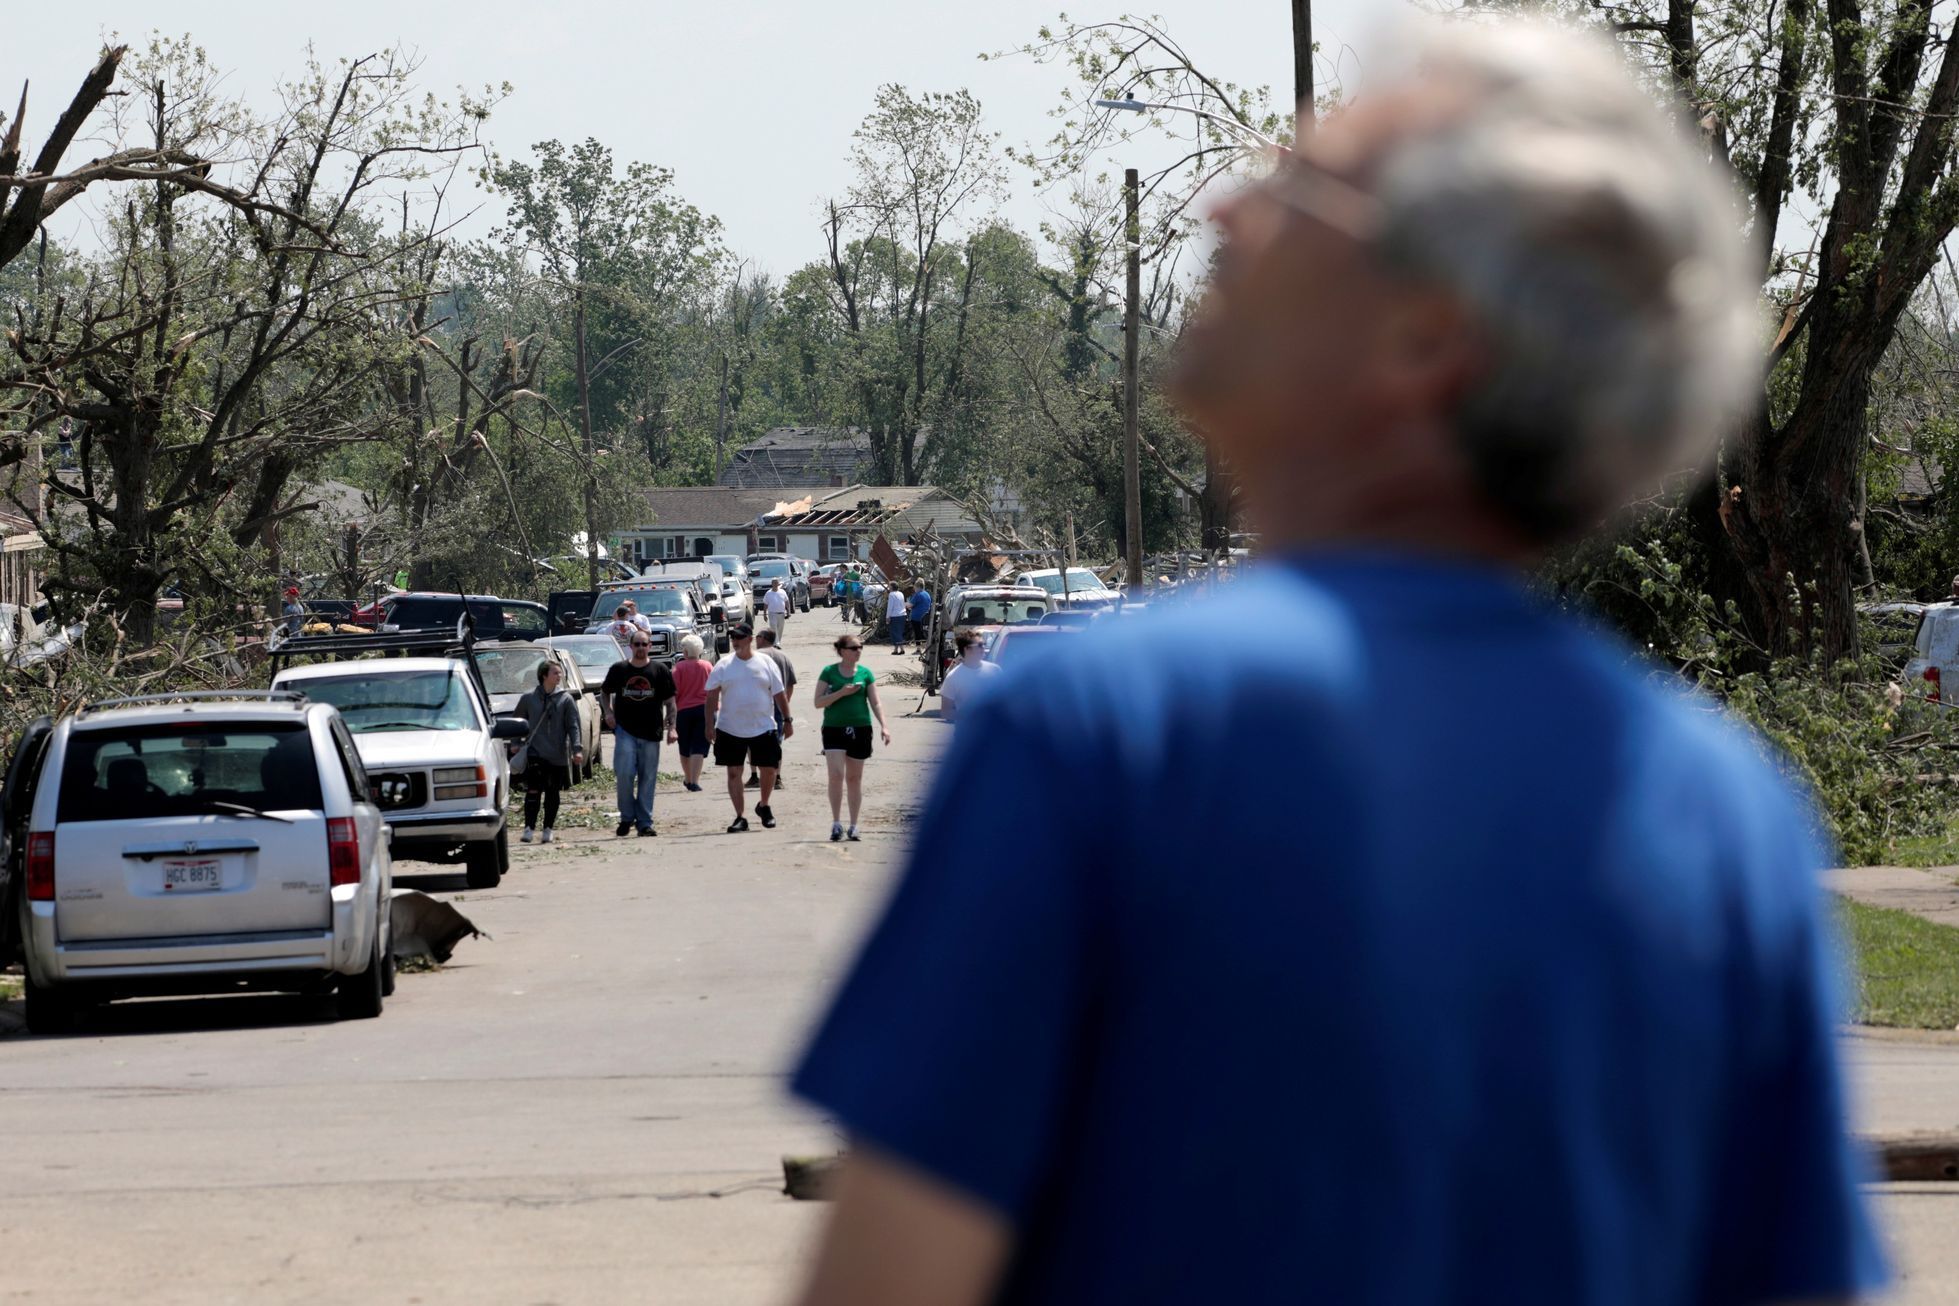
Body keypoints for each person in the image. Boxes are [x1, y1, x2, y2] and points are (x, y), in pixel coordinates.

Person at [792, 18, 1886, 1306]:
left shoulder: (1108, 734)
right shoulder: (1727, 812)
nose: (1225, 205)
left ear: (1426, 340)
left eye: (1300, 190)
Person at [705, 622, 791, 833]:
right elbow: (711, 696)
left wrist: (788, 720)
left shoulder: (766, 663)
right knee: (734, 772)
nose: (735, 642)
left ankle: (764, 805)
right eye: (733, 638)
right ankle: (740, 817)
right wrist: (709, 724)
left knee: (769, 769)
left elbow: (779, 693)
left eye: (740, 637)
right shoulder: (723, 665)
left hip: (762, 726)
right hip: (730, 727)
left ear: (750, 639)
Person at [812, 633, 889, 842]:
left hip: (861, 728)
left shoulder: (865, 673)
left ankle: (854, 825)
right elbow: (818, 702)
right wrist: (841, 693)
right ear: (842, 650)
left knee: (854, 779)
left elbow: (875, 702)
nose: (858, 651)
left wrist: (884, 726)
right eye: (854, 648)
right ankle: (836, 823)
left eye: (860, 647)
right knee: (836, 775)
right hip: (834, 728)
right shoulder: (829, 672)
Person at [599, 631, 675, 837]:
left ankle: (644, 822)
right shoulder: (619, 669)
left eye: (644, 644)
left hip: (652, 732)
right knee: (624, 774)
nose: (641, 647)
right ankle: (626, 818)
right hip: (625, 731)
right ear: (631, 646)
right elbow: (604, 693)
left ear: (650, 646)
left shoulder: (660, 670)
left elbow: (670, 701)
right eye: (637, 644)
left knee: (647, 778)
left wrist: (673, 727)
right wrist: (608, 713)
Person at [513, 658, 586, 844]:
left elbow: (573, 726)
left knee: (552, 793)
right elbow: (517, 722)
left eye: (560, 673)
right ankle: (528, 828)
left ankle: (548, 829)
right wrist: (515, 742)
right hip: (535, 754)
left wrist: (577, 749)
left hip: (558, 755)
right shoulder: (528, 698)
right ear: (544, 676)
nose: (559, 676)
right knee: (533, 791)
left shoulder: (566, 699)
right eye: (555, 673)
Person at [753, 626, 797, 791]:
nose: (755, 640)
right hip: (778, 705)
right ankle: (777, 776)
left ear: (763, 639)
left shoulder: (756, 656)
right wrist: (785, 703)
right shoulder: (783, 656)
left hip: (759, 705)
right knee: (776, 741)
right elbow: (791, 683)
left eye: (757, 636)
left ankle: (758, 775)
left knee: (755, 740)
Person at [670, 633, 713, 792]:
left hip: (683, 711)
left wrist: (670, 715)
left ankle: (688, 778)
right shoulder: (708, 666)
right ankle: (695, 780)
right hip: (704, 709)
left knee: (685, 746)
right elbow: (713, 690)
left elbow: (674, 692)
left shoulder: (679, 668)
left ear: (685, 651)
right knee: (699, 747)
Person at [936, 627, 999, 724]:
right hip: (967, 734)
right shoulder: (953, 677)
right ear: (967, 649)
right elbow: (946, 712)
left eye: (984, 645)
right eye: (980, 645)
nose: (984, 649)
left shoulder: (995, 671)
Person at [906, 583, 932, 653]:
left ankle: (918, 649)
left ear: (918, 587)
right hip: (926, 617)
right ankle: (927, 648)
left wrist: (904, 603)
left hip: (916, 617)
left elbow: (910, 605)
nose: (914, 589)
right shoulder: (927, 594)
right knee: (924, 633)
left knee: (917, 633)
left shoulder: (917, 595)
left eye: (915, 588)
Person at [885, 584, 908, 654]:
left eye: (889, 586)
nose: (888, 588)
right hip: (902, 615)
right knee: (899, 632)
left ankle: (902, 649)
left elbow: (890, 607)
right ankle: (896, 649)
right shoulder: (901, 593)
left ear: (891, 587)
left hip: (895, 615)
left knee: (895, 633)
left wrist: (887, 617)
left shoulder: (891, 594)